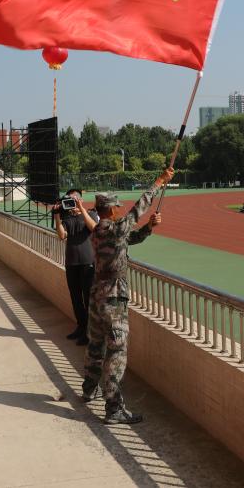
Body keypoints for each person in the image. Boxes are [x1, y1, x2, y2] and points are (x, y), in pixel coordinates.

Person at [81, 167, 172, 425]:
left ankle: (89, 389)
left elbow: (129, 238)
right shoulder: (115, 227)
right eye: (117, 208)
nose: (120, 211)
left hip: (97, 297)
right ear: (110, 210)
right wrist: (159, 181)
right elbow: (138, 209)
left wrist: (149, 227)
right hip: (113, 299)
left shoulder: (100, 231)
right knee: (117, 351)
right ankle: (114, 409)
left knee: (95, 345)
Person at [54, 188, 99, 346]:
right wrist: (57, 216)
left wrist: (81, 209)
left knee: (88, 298)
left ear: (80, 200)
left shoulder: (91, 214)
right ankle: (81, 327)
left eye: (74, 199)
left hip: (88, 263)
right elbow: (61, 235)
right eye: (69, 200)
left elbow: (94, 228)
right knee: (75, 298)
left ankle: (89, 332)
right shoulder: (67, 219)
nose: (71, 202)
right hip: (71, 263)